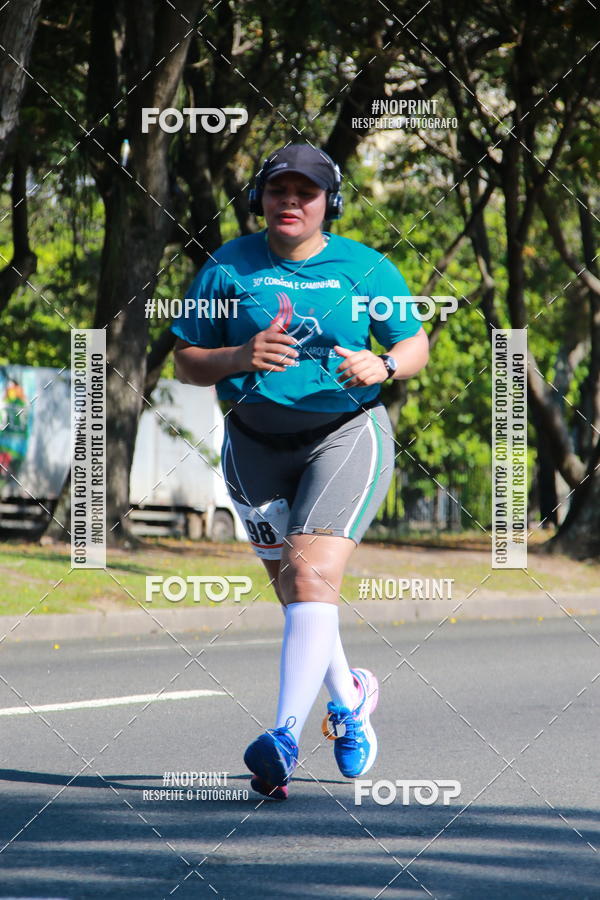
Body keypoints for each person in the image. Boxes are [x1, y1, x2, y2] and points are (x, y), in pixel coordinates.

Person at [172, 143, 429, 800]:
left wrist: (386, 365)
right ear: (260, 199)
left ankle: (282, 740)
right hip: (253, 444)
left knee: (310, 575)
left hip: (344, 435)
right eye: (278, 190)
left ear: (327, 203)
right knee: (296, 591)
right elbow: (186, 361)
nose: (291, 201)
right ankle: (351, 700)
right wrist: (239, 353)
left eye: (305, 192)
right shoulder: (227, 266)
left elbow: (413, 341)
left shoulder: (365, 267)